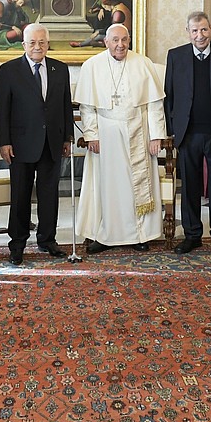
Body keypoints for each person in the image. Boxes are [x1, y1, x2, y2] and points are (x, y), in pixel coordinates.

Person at [74, 24, 167, 252]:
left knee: (136, 185)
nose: (120, 44)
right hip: (106, 134)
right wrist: (91, 135)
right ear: (106, 42)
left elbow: (155, 105)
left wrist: (156, 136)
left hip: (139, 131)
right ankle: (104, 236)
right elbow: (87, 107)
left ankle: (139, 235)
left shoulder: (143, 63)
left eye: (124, 39)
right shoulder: (92, 66)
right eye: (115, 40)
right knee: (107, 187)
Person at [0, 23, 74, 264]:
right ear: (24, 45)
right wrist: (3, 142)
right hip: (20, 144)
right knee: (20, 195)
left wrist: (67, 137)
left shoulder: (60, 69)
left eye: (42, 42)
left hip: (52, 142)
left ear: (48, 44)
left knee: (50, 195)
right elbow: (1, 110)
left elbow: (65, 105)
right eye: (32, 43)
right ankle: (17, 244)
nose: (37, 47)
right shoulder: (9, 70)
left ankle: (47, 240)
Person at [165, 11, 211, 255]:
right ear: (188, 32)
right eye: (194, 30)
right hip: (188, 133)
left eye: (204, 29)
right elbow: (169, 96)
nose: (200, 35)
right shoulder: (176, 56)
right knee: (190, 186)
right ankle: (192, 234)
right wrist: (172, 132)